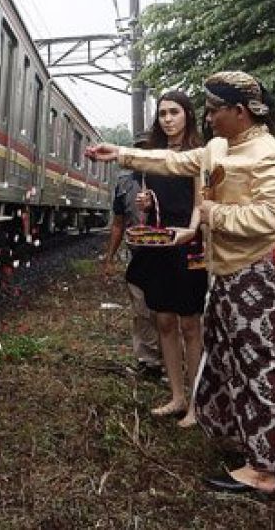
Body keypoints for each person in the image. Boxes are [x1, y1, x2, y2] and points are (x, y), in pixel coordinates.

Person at [87, 71, 275, 495]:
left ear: (240, 112)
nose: (209, 116)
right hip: (225, 274)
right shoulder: (219, 146)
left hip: (256, 274)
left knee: (258, 365)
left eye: (216, 109)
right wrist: (122, 154)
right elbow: (173, 161)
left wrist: (213, 215)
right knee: (226, 358)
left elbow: (274, 218)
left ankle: (265, 469)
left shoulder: (270, 157)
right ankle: (241, 438)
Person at [128, 91, 208, 428]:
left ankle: (197, 402)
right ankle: (177, 396)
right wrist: (144, 204)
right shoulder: (152, 156)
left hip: (189, 243)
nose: (167, 119)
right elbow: (147, 205)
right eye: (162, 113)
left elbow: (201, 200)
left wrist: (191, 231)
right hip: (158, 242)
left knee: (190, 324)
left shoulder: (199, 155)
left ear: (188, 114)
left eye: (174, 112)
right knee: (163, 320)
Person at [102, 131, 162, 380]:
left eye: (147, 148)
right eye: (139, 148)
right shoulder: (124, 183)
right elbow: (118, 223)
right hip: (138, 253)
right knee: (141, 308)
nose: (143, 152)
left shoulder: (168, 176)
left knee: (166, 312)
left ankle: (170, 361)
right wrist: (110, 256)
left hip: (167, 253)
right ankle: (148, 361)